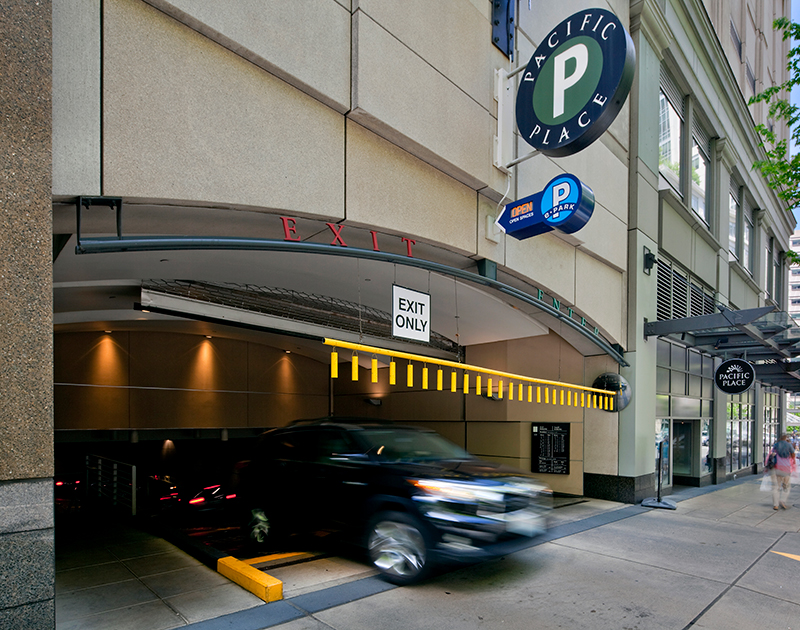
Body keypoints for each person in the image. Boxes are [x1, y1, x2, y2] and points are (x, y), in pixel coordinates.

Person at [766, 434, 796, 510]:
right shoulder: (789, 445)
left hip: (776, 468)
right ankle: (783, 500)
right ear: (787, 439)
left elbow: (771, 455)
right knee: (786, 487)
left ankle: (775, 505)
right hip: (786, 469)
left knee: (776, 487)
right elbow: (793, 456)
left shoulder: (776, 445)